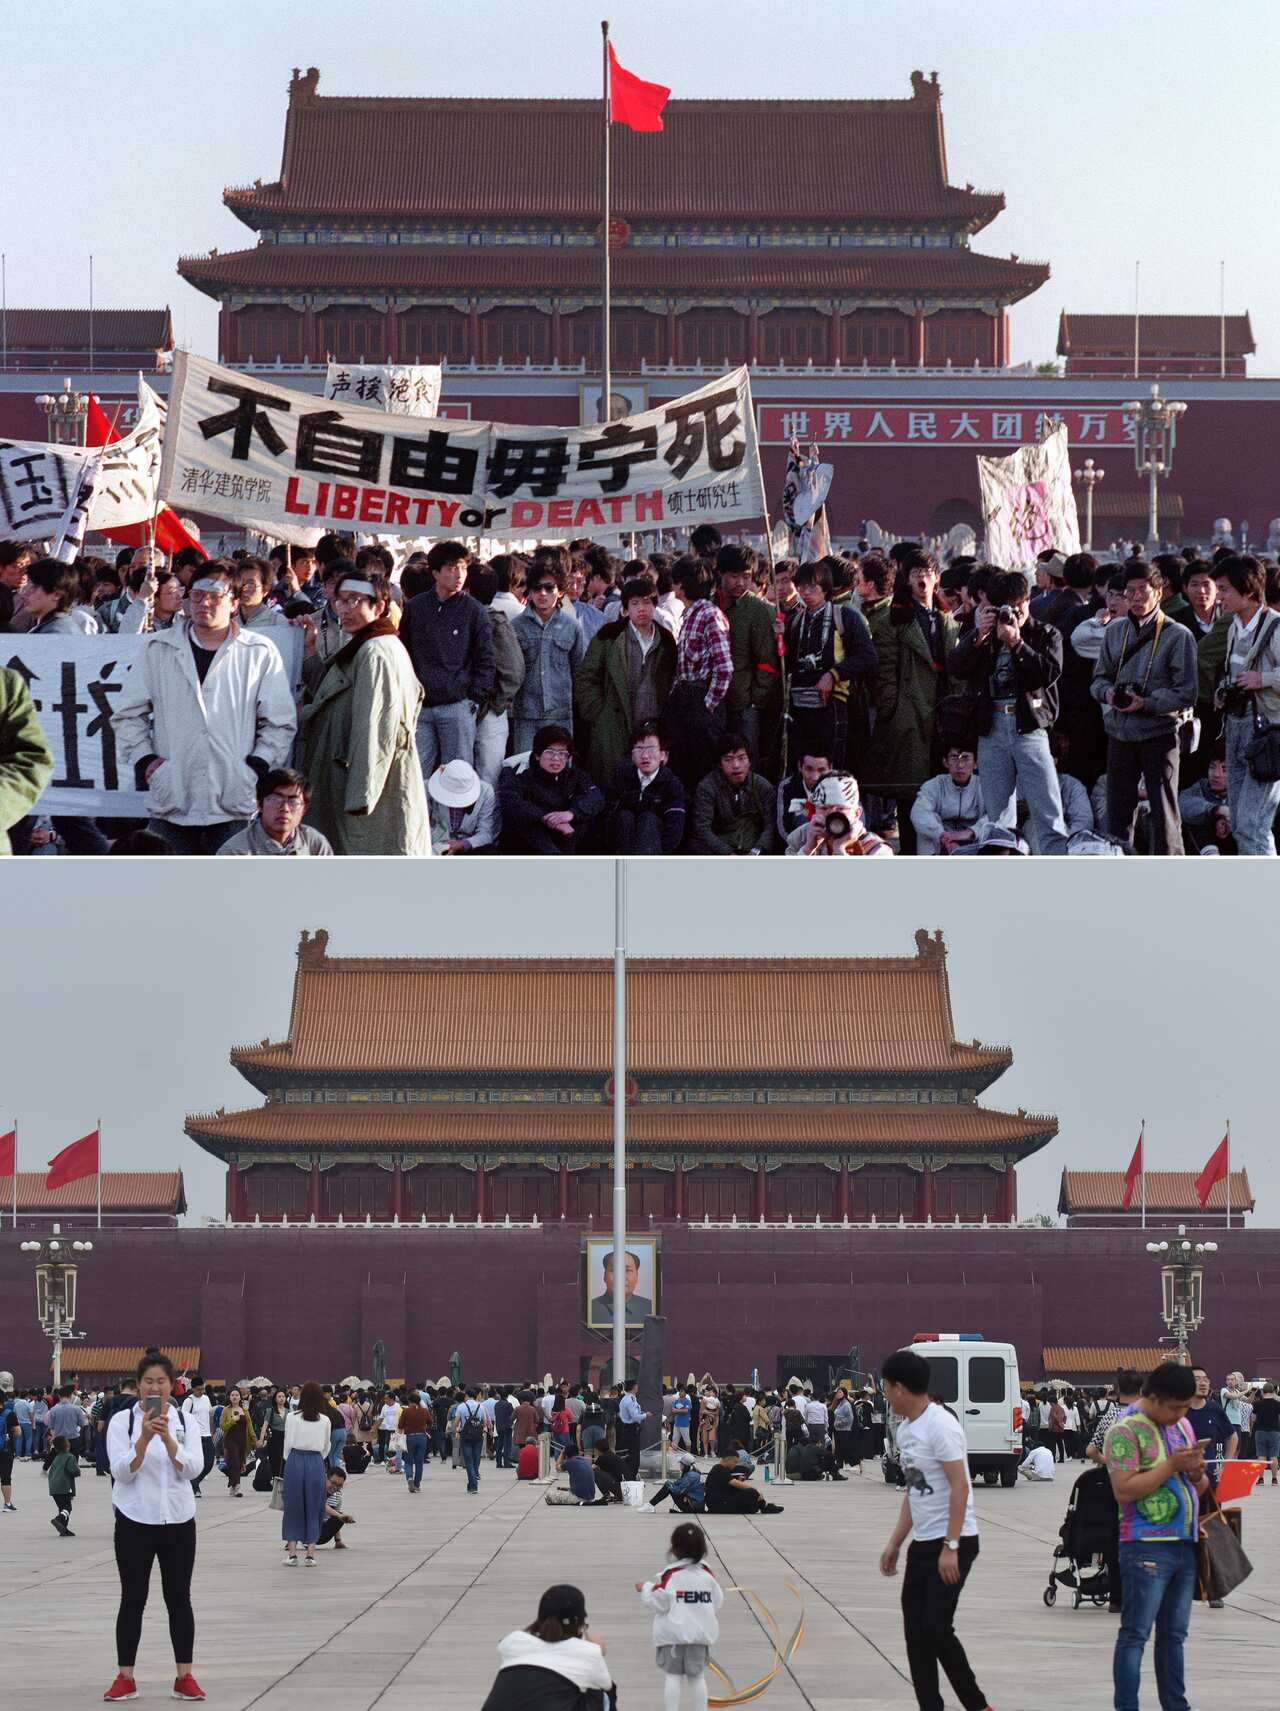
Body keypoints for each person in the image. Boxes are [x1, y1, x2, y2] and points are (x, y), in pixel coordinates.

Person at [111, 559, 296, 854]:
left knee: (229, 892)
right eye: (197, 594)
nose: (204, 602)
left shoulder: (258, 652)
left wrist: (257, 765)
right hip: (172, 797)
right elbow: (127, 714)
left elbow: (279, 722)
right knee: (166, 892)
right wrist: (146, 761)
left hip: (233, 801)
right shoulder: (156, 649)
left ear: (234, 602)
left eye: (216, 595)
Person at [878, 1348, 987, 1711]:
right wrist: (895, 1542)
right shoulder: (907, 1430)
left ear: (898, 1388)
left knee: (936, 1628)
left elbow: (960, 1485)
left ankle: (977, 1705)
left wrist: (951, 1545)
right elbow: (916, 1489)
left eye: (885, 1387)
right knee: (916, 1635)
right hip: (923, 1544)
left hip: (955, 1540)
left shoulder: (941, 1425)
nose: (885, 1394)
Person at [296, 566, 431, 855]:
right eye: (340, 600)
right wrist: (310, 653)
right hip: (349, 775)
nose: (344, 608)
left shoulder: (376, 651)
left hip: (363, 786)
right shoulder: (365, 644)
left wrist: (361, 796)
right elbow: (332, 692)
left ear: (380, 606)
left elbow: (375, 728)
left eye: (354, 600)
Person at [1105, 1362, 1210, 1711]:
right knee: (1136, 1634)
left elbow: (1201, 1485)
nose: (1181, 1414)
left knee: (1174, 1636)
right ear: (1155, 1397)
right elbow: (1124, 1490)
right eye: (1176, 1406)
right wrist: (1171, 1466)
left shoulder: (1181, 1425)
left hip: (1185, 1543)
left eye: (1185, 1407)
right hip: (1145, 1546)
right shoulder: (1125, 1430)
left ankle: (1176, 1705)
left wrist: (1196, 1472)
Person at [102, 1350, 205, 1704]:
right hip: (134, 1520)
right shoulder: (122, 1422)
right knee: (133, 1598)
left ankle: (184, 1676)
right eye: (149, 1381)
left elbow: (193, 1469)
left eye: (162, 1381)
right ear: (139, 1385)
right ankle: (125, 1677)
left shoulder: (184, 1421)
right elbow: (120, 1471)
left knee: (179, 1599)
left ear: (172, 1385)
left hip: (177, 1520)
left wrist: (167, 1439)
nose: (155, 1387)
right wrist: (144, 1438)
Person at [950, 569, 1070, 855]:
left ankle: (1059, 869)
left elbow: (1049, 673)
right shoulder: (983, 633)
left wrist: (1017, 643)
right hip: (991, 727)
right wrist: (979, 635)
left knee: (1048, 810)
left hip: (1029, 727)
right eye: (1003, 608)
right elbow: (956, 668)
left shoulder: (1045, 633)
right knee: (998, 816)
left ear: (1028, 600)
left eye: (1018, 606)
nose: (1011, 614)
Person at [1091, 563, 1198, 854]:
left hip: (1159, 733)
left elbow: (1187, 692)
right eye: (1130, 592)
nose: (1136, 597)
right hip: (1120, 734)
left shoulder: (1178, 635)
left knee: (1163, 811)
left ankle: (1168, 875)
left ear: (1159, 593)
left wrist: (1147, 703)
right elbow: (1098, 678)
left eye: (1143, 591)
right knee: (1118, 814)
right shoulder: (1115, 632)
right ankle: (1119, 871)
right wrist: (1108, 693)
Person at [864, 551, 959, 850]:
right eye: (916, 571)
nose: (922, 577)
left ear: (936, 578)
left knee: (940, 789)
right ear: (907, 579)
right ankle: (909, 850)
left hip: (941, 713)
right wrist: (893, 708)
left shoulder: (946, 619)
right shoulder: (894, 619)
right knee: (910, 794)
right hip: (909, 713)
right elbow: (884, 673)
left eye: (928, 571)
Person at [400, 540, 494, 776]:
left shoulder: (474, 610)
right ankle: (423, 815)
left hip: (457, 706)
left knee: (457, 778)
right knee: (415, 776)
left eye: (463, 567)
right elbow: (404, 653)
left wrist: (473, 700)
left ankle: (454, 816)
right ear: (435, 572)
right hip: (420, 707)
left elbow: (486, 658)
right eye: (452, 568)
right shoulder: (415, 607)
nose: (459, 574)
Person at [576, 576, 678, 787]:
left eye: (647, 602)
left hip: (651, 723)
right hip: (612, 722)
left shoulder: (667, 641)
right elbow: (587, 677)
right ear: (626, 609)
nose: (642, 609)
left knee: (648, 786)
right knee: (611, 783)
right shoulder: (609, 636)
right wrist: (598, 713)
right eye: (635, 603)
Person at [1212, 554, 1280, 854]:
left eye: (1224, 589)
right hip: (1237, 728)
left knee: (1253, 823)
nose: (1219, 596)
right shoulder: (1232, 628)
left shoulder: (1275, 627)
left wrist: (1263, 678)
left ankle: (1264, 893)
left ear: (1248, 591)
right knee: (1241, 821)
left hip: (1267, 736)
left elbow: (1259, 678)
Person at [783, 560, 876, 773]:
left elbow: (867, 656)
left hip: (832, 705)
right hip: (801, 707)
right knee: (803, 767)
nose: (805, 592)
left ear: (826, 588)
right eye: (801, 587)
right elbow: (788, 663)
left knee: (831, 767)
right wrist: (778, 637)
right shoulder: (796, 621)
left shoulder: (845, 616)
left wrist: (833, 675)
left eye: (812, 587)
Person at [482, 1584, 614, 1711]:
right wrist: (597, 1649)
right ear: (578, 1622)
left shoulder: (513, 1640)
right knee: (602, 1696)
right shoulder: (588, 1652)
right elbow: (606, 1685)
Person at [636, 1521, 723, 1711]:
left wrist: (645, 1588)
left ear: (674, 1549)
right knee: (697, 1677)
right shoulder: (707, 1575)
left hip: (674, 1636)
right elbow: (717, 1601)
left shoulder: (672, 1575)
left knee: (673, 1676)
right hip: (700, 1636)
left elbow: (659, 1601)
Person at [663, 556, 732, 792]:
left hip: (701, 699)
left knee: (704, 770)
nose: (672, 587)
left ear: (682, 584)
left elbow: (724, 667)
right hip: (685, 699)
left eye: (675, 582)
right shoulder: (690, 614)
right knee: (684, 767)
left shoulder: (709, 615)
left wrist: (708, 705)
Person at [511, 548, 587, 753]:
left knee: (559, 768)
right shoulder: (516, 626)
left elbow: (579, 670)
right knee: (524, 767)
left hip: (560, 713)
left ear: (560, 591)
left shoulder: (571, 626)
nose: (542, 593)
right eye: (537, 588)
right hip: (526, 714)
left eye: (549, 587)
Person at [462, 561, 525, 791]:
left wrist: (493, 704)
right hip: (468, 710)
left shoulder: (493, 621)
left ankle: (489, 827)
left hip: (489, 714)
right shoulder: (469, 617)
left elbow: (514, 671)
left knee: (489, 779)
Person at [715, 545, 779, 764]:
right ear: (720, 573)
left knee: (746, 763)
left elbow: (767, 663)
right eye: (734, 576)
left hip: (745, 705)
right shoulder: (709, 605)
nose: (740, 583)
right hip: (713, 700)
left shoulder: (761, 610)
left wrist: (754, 701)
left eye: (746, 576)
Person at [499, 724, 605, 854]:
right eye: (550, 752)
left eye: (562, 754)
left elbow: (596, 798)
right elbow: (511, 802)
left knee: (586, 811)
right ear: (537, 755)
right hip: (534, 842)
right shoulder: (522, 778)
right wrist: (546, 819)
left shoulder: (576, 776)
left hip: (567, 837)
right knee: (525, 820)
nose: (556, 759)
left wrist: (570, 814)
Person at [605, 721, 686, 854]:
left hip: (654, 848)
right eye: (639, 749)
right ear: (632, 755)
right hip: (622, 845)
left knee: (648, 819)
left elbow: (675, 828)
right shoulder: (621, 777)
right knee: (625, 816)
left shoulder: (672, 784)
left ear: (663, 755)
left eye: (651, 749)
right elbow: (608, 816)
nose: (645, 756)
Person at [690, 733, 777, 854]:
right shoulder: (707, 787)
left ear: (749, 761)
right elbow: (702, 828)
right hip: (720, 848)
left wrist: (757, 851)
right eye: (728, 759)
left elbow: (771, 826)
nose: (736, 765)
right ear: (719, 763)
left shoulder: (762, 787)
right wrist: (728, 853)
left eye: (741, 758)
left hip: (754, 847)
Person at [218, 767, 333, 856]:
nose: (285, 808)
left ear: (304, 809)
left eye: (293, 802)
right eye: (276, 799)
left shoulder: (315, 844)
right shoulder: (235, 851)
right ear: (259, 804)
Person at [281, 1379, 331, 1567]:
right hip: (315, 1462)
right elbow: (327, 1447)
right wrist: (316, 1459)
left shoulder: (292, 1417)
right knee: (314, 1505)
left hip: (294, 1460)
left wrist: (292, 1460)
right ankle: (310, 1554)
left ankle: (292, 1554)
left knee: (293, 1506)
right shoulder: (324, 1420)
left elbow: (287, 1443)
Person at [785, 769, 891, 856]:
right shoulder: (800, 838)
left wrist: (840, 850)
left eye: (840, 809)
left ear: (857, 813)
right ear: (814, 810)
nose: (831, 814)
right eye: (824, 808)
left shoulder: (877, 849)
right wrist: (807, 849)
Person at [910, 744, 986, 854]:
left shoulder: (984, 786)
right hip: (943, 839)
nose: (960, 765)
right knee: (926, 827)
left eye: (965, 758)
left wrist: (971, 832)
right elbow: (919, 812)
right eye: (954, 758)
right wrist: (941, 835)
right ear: (945, 762)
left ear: (975, 763)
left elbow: (997, 815)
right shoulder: (935, 785)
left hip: (974, 838)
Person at [427, 758, 499, 854]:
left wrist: (464, 844)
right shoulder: (426, 789)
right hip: (434, 846)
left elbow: (486, 833)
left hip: (469, 847)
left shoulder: (486, 791)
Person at [703, 1445, 782, 1513]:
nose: (735, 1464)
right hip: (718, 1504)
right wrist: (756, 1490)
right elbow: (735, 1483)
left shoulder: (721, 1469)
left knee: (747, 1495)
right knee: (751, 1492)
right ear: (728, 1459)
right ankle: (764, 1507)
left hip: (720, 1501)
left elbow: (728, 1483)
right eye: (734, 1462)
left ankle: (762, 1507)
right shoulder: (718, 1468)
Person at [590, 1248, 653, 1326]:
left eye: (628, 1270)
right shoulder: (589, 1309)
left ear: (637, 1276)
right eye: (614, 1270)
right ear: (604, 1276)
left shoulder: (651, 1308)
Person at [180, 1376, 215, 1500]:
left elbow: (210, 1415)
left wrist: (212, 1431)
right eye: (199, 1389)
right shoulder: (189, 1401)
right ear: (193, 1389)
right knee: (197, 1463)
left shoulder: (206, 1399)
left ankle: (193, 1482)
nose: (202, 1391)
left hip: (207, 1435)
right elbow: (183, 1419)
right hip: (195, 1436)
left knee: (209, 1463)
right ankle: (195, 1487)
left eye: (203, 1389)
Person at [45, 1431, 78, 1536]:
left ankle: (63, 1528)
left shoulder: (57, 1457)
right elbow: (72, 1470)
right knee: (68, 1508)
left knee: (62, 1508)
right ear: (67, 1445)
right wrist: (78, 1471)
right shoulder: (70, 1457)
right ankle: (59, 1519)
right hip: (64, 1486)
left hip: (54, 1487)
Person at [398, 1393, 431, 1493]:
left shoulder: (406, 1411)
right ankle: (417, 1484)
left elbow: (400, 1425)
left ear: (410, 1401)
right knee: (419, 1462)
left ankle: (409, 1479)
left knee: (408, 1461)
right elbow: (430, 1421)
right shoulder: (424, 1411)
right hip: (422, 1437)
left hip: (409, 1437)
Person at [457, 1389, 487, 1494]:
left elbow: (456, 1422)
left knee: (468, 1461)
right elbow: (485, 1422)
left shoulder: (461, 1406)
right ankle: (473, 1481)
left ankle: (473, 1485)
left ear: (466, 1396)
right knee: (476, 1458)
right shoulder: (481, 1406)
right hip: (478, 1436)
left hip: (466, 1437)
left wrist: (457, 1431)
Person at [318, 1464, 353, 1548]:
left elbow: (337, 1515)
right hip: (306, 1530)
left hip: (322, 1534)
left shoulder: (337, 1496)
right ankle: (296, 1539)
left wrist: (338, 1541)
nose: (335, 1487)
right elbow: (321, 1505)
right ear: (326, 1479)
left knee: (340, 1516)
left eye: (339, 1485)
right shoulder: (316, 1489)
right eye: (333, 1483)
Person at [1252, 1383, 1280, 1486]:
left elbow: (1254, 1419)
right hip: (1274, 1432)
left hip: (1260, 1431)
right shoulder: (1278, 1404)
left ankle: (1261, 1479)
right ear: (1274, 1391)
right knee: (1274, 1456)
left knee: (1261, 1455)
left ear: (1263, 1392)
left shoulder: (1258, 1404)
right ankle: (1274, 1479)